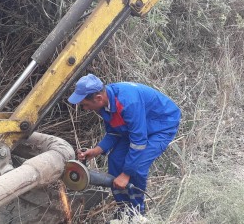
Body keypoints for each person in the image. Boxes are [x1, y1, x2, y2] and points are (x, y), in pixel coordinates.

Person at [68, 73, 181, 217]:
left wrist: (126, 174)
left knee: (138, 167)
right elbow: (114, 133)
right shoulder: (104, 105)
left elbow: (139, 142)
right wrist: (96, 150)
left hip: (161, 125)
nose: (84, 108)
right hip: (137, 128)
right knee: (115, 159)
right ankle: (124, 209)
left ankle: (136, 213)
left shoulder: (128, 102)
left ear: (98, 98)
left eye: (85, 104)